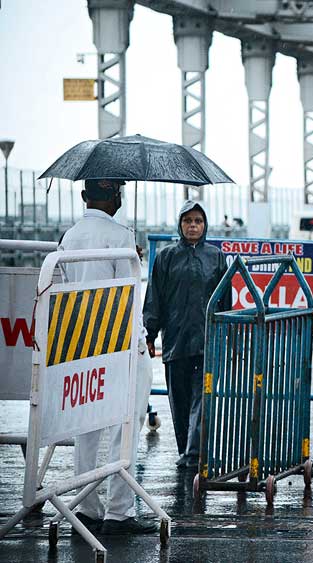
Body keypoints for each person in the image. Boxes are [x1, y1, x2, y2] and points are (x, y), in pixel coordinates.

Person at [58, 179, 156, 535]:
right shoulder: (121, 236)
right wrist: (141, 343)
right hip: (120, 345)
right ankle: (119, 511)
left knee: (86, 427)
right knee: (125, 425)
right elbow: (128, 302)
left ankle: (86, 508)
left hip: (82, 345)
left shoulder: (69, 237)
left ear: (84, 196)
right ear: (116, 195)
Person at [143, 200, 230, 469]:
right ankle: (186, 451)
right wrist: (150, 332)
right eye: (188, 221)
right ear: (180, 225)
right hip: (175, 342)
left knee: (201, 399)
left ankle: (194, 454)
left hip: (207, 341)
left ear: (205, 226)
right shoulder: (166, 257)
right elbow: (154, 298)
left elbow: (225, 300)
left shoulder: (216, 257)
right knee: (179, 402)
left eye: (198, 221)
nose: (193, 226)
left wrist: (228, 334)